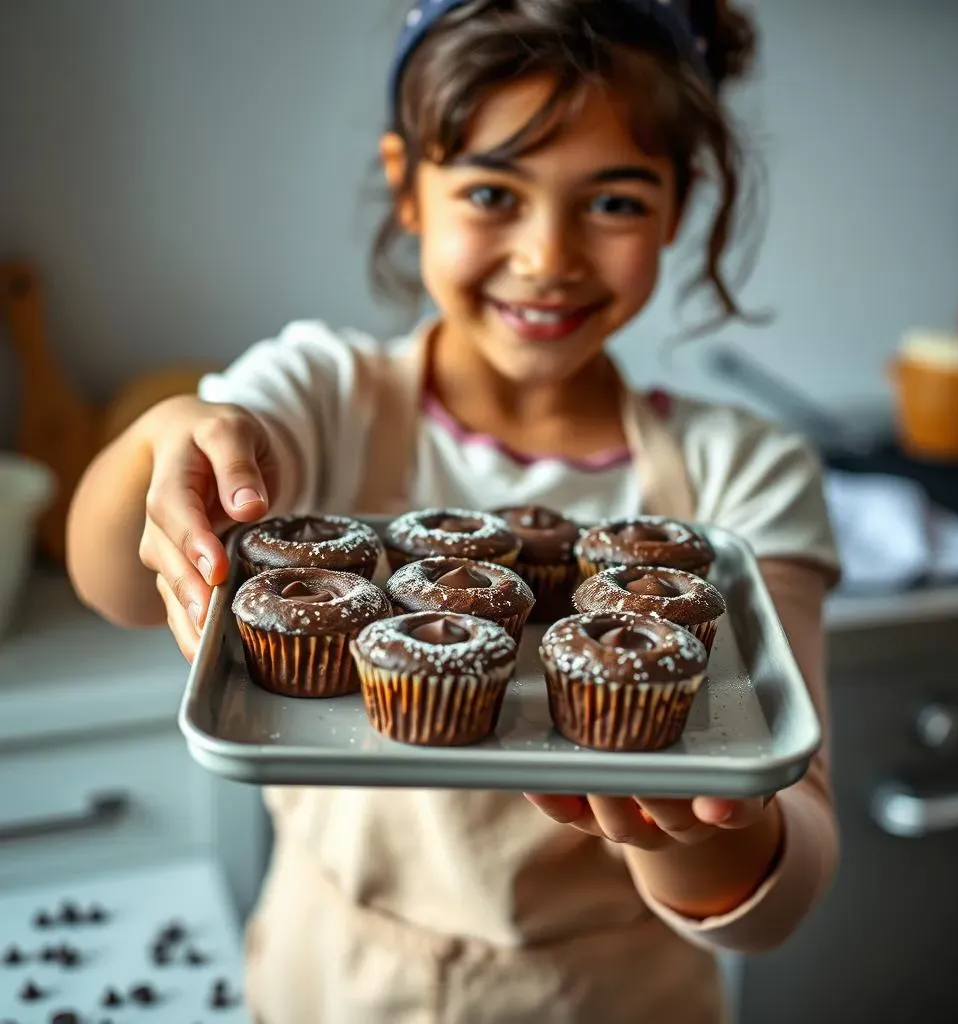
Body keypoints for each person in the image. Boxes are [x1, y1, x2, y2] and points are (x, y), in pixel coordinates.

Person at [67, 2, 841, 1021]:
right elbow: (117, 582)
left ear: (679, 202)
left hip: (614, 996)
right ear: (408, 184)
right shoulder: (317, 394)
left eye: (612, 202)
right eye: (491, 191)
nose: (546, 256)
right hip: (331, 976)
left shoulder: (744, 471)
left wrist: (703, 831)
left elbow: (787, 874)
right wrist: (168, 435)